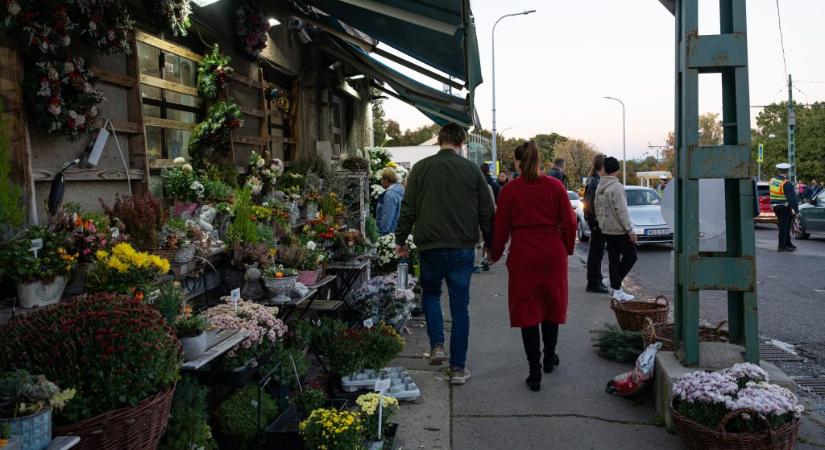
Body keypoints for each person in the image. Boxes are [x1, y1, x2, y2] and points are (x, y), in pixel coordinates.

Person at [395, 123, 495, 385]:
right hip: (462, 246)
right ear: (462, 143)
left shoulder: (421, 168)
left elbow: (408, 207)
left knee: (431, 294)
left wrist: (400, 239)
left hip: (430, 245)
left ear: (439, 140)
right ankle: (458, 369)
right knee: (460, 307)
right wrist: (490, 242)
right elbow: (486, 210)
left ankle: (437, 344)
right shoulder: (472, 170)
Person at [491, 141, 576, 392]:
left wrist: (494, 254)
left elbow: (500, 229)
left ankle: (534, 371)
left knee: (528, 309)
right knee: (552, 304)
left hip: (523, 253)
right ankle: (550, 357)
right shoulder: (556, 186)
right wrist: (567, 248)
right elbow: (570, 223)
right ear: (540, 162)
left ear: (517, 162)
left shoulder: (510, 191)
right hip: (552, 252)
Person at [595, 157, 637, 302]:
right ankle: (616, 286)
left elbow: (597, 207)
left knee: (613, 258)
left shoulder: (600, 186)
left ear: (605, 169)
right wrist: (630, 230)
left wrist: (602, 224)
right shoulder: (616, 187)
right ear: (617, 170)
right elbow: (622, 211)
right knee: (631, 256)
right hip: (619, 230)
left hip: (606, 229)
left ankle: (614, 284)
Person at [583, 154, 609, 293]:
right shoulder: (594, 181)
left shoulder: (595, 179)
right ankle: (593, 283)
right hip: (597, 224)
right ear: (603, 166)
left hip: (597, 223)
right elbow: (589, 204)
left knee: (597, 253)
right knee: (595, 254)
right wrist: (594, 222)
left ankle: (596, 280)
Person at [770, 163, 798, 252]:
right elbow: (792, 199)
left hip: (776, 207)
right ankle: (782, 246)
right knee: (784, 227)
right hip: (784, 208)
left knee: (785, 226)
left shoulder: (772, 180)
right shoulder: (786, 183)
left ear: (779, 171)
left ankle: (788, 243)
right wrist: (796, 210)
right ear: (787, 171)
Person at [376, 167, 405, 234]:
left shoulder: (390, 194)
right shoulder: (399, 190)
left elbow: (387, 215)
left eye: (382, 179)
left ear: (386, 179)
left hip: (390, 231)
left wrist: (382, 231)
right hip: (397, 228)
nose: (381, 181)